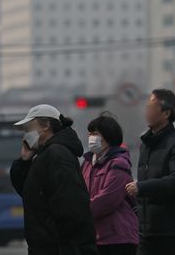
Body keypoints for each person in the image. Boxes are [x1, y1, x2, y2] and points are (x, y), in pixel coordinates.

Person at [10, 104, 98, 255]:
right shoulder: (45, 154)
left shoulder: (57, 154)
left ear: (45, 126)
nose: (26, 135)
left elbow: (70, 206)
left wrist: (51, 236)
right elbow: (29, 192)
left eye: (29, 128)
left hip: (60, 248)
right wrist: (24, 161)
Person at [125, 89, 175, 255]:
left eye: (151, 105)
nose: (146, 109)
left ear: (166, 113)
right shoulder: (146, 146)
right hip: (147, 235)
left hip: (174, 236)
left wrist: (141, 187)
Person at [81, 113, 139, 255]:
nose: (91, 138)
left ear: (108, 137)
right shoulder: (87, 164)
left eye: (95, 133)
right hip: (95, 237)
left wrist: (77, 212)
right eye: (89, 133)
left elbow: (107, 200)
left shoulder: (119, 164)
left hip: (118, 239)